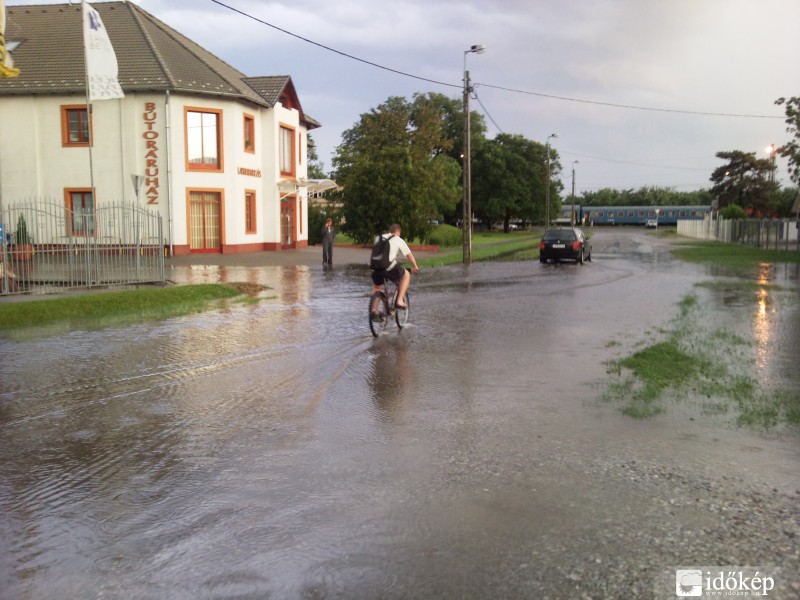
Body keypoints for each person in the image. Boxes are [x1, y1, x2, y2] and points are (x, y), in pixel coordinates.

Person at [371, 223, 419, 315]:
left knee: (377, 287)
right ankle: (399, 301)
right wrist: (415, 266)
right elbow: (409, 255)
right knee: (406, 275)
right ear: (398, 232)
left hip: (375, 267)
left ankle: (374, 309)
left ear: (390, 231)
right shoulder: (398, 239)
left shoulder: (378, 237)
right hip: (389, 267)